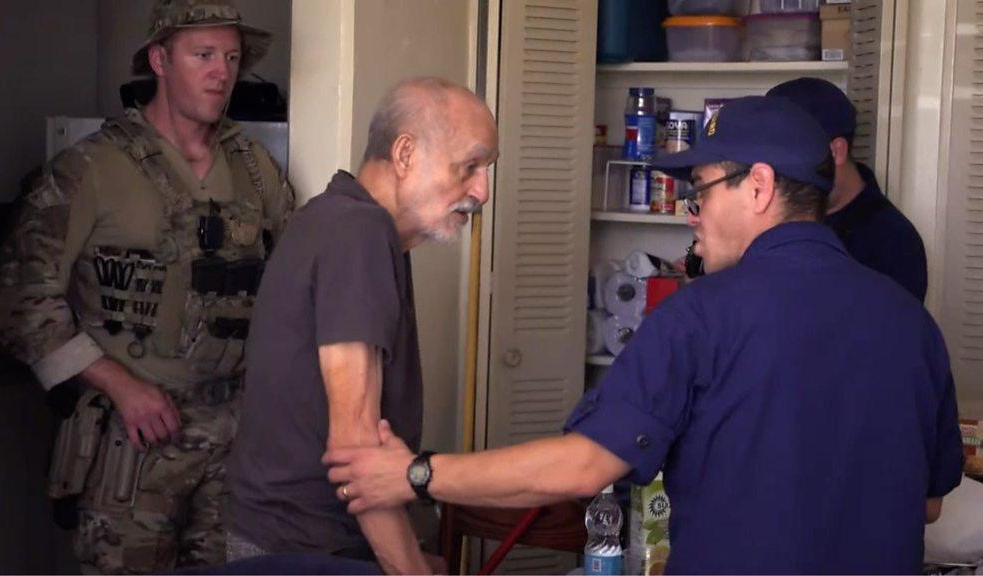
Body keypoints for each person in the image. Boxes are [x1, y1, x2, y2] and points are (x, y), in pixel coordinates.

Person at [323, 96, 965, 574]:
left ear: (761, 186)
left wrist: (415, 472)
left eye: (702, 191)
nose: (693, 215)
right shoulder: (912, 323)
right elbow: (929, 503)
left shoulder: (699, 317)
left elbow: (583, 466)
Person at [0, 1, 295, 572]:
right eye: (203, 55)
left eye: (231, 58)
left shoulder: (254, 168)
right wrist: (122, 386)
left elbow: (297, 282)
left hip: (235, 440)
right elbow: (20, 305)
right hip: (133, 442)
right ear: (159, 59)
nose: (221, 72)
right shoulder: (89, 170)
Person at [225, 77, 499, 574]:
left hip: (287, 538)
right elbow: (355, 448)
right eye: (470, 166)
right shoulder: (360, 232)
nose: (481, 191)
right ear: (405, 153)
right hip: (306, 549)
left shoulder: (339, 218)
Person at [767, 76, 929, 302]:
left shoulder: (892, 241)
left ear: (837, 151)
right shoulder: (772, 216)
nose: (775, 172)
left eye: (790, 156)